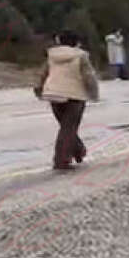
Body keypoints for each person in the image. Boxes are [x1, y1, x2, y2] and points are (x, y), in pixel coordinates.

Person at [34, 30, 99, 170]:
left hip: (53, 94)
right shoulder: (81, 55)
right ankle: (61, 160)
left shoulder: (52, 55)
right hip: (74, 96)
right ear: (76, 42)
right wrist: (94, 93)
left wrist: (39, 88)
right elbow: (89, 76)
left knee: (66, 127)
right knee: (69, 128)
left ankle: (78, 151)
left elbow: (43, 73)